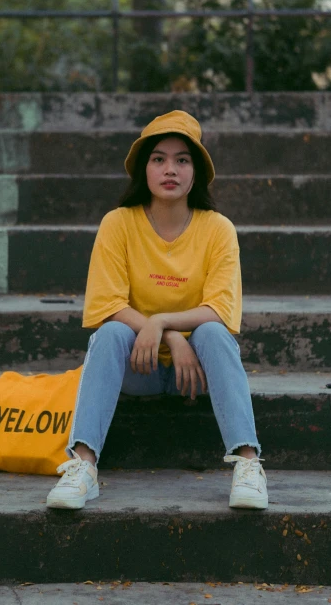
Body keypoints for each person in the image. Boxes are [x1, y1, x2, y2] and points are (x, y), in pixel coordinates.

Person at [46, 110, 267, 510]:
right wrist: (165, 336)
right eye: (159, 159)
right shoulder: (118, 224)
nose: (171, 169)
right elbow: (107, 306)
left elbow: (220, 310)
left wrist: (164, 323)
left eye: (182, 160)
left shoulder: (218, 229)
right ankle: (82, 466)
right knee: (110, 333)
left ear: (195, 172)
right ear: (144, 170)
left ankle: (248, 466)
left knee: (214, 334)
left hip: (196, 372)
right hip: (139, 366)